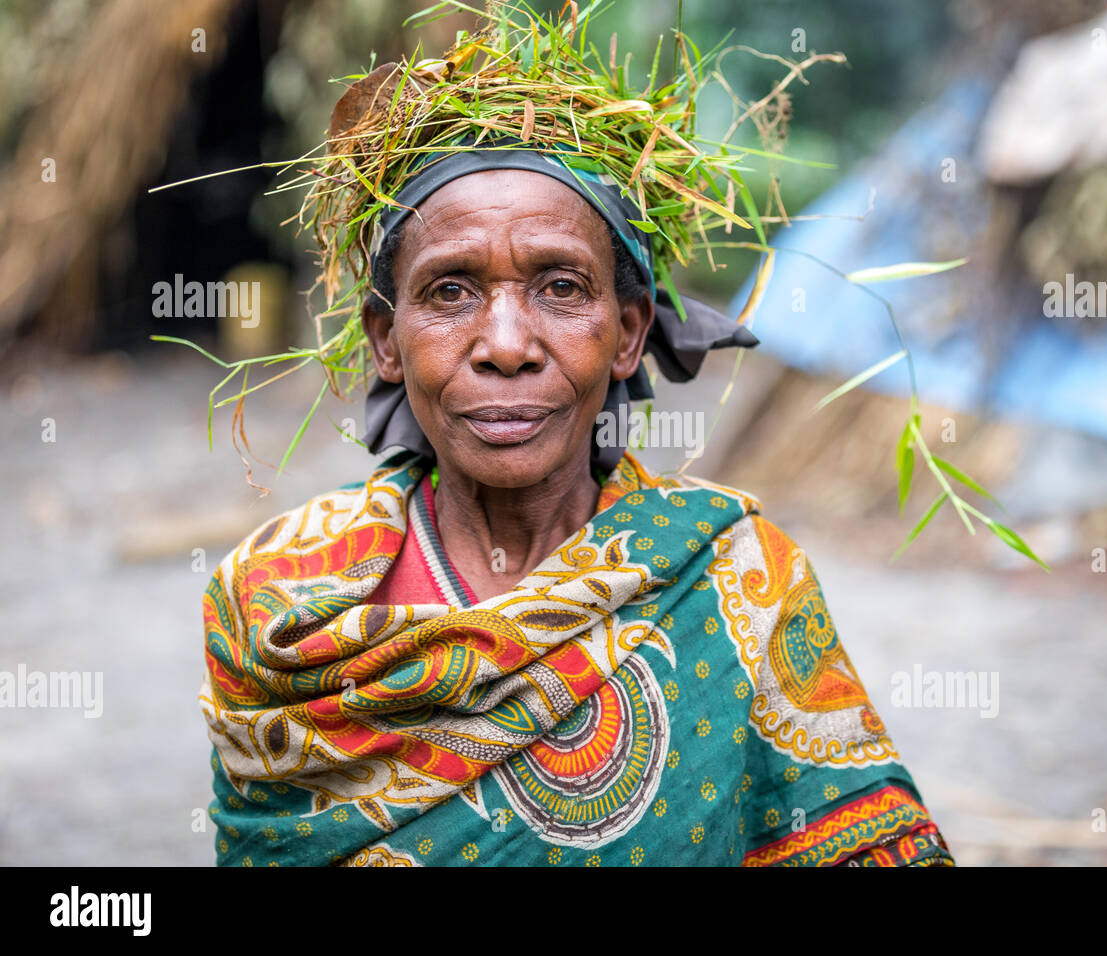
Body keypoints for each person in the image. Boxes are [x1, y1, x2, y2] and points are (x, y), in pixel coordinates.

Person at [198, 11, 953, 867]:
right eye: (450, 292)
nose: (508, 344)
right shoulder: (275, 605)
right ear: (384, 339)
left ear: (629, 332)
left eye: (561, 288)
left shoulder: (741, 582)